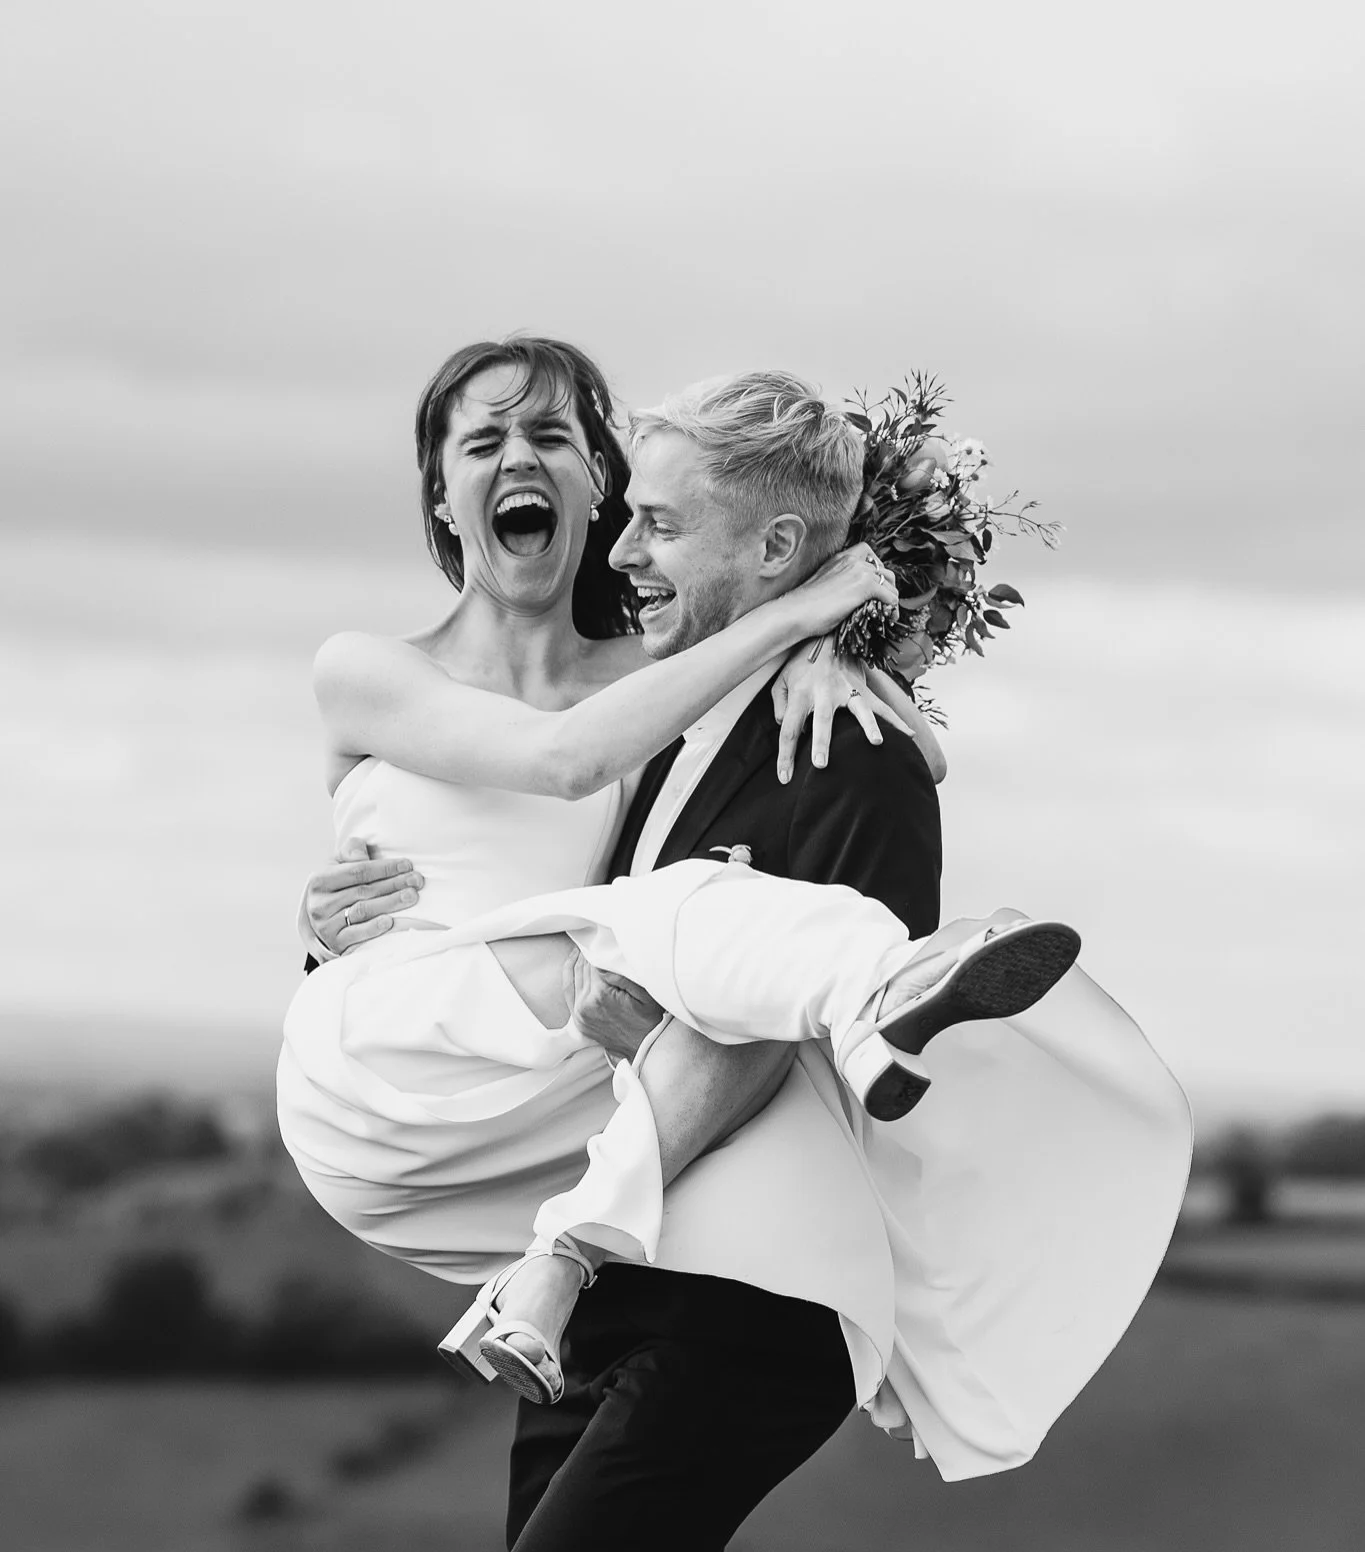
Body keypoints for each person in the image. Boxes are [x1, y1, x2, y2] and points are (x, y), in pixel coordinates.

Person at [288, 345, 1191, 1552]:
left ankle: (878, 985)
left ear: (769, 548)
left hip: (745, 1286)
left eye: (650, 514)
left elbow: (741, 1043)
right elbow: (524, 811)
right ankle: (866, 979)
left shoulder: (846, 742)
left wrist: (571, 1243)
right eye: (628, 515)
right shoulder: (646, 716)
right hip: (615, 1243)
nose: (631, 546)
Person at [278, 339, 1080, 1404]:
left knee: (722, 1014)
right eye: (483, 440)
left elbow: (915, 757)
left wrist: (829, 654)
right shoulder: (370, 667)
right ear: (441, 493)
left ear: (597, 482)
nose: (518, 454)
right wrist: (800, 613)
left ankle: (560, 1274)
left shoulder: (657, 669)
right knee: (674, 919)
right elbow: (563, 762)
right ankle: (879, 983)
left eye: (552, 434)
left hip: (555, 1082)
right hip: (394, 1061)